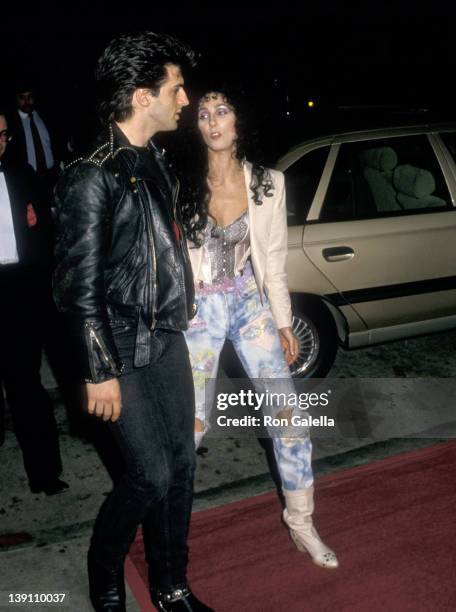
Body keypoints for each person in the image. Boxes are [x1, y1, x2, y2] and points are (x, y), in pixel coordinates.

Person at [53, 33, 213, 612]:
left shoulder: (154, 160)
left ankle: (172, 586)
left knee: (182, 467)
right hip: (117, 344)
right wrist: (98, 370)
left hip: (166, 338)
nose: (186, 98)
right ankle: (105, 570)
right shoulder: (89, 174)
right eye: (176, 88)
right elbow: (78, 285)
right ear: (143, 95)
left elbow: (162, 250)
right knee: (148, 475)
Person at [180, 88, 339, 569]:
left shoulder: (269, 183)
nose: (212, 121)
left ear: (239, 122)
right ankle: (170, 533)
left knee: (288, 416)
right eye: (203, 114)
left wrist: (284, 320)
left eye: (222, 111)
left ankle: (302, 523)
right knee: (190, 426)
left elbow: (273, 257)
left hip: (249, 302)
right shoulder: (181, 181)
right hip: (199, 311)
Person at [0, 110, 67, 495]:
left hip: (20, 291)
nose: (1, 141)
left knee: (26, 387)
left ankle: (44, 474)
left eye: (5, 135)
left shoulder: (22, 175)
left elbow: (46, 232)